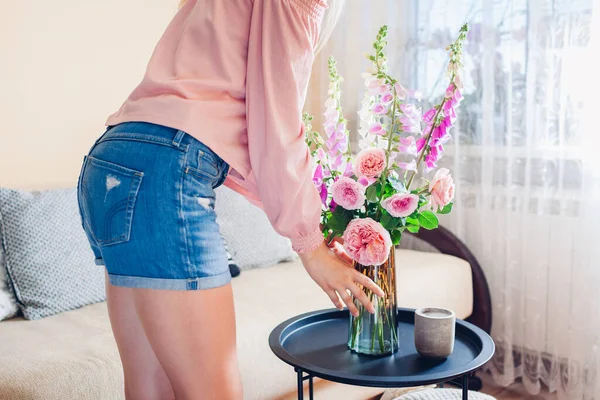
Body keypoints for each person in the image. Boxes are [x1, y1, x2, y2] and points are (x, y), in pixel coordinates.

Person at [76, 0, 383, 399]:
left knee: (149, 391)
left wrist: (315, 229)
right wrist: (310, 246)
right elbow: (276, 123)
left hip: (112, 158)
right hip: (165, 168)